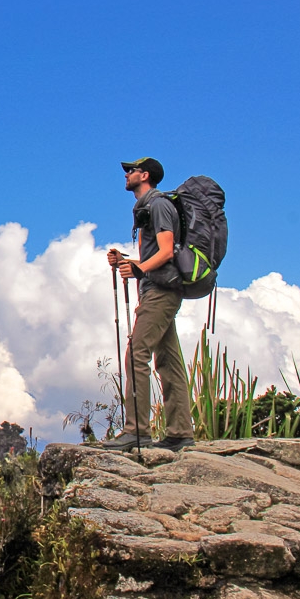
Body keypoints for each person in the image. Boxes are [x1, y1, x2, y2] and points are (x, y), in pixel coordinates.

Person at [104, 157, 195, 452]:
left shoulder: (158, 205)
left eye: (131, 171)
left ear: (145, 175)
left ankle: (136, 431)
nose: (126, 175)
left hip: (161, 291)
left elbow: (166, 251)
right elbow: (154, 257)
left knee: (136, 354)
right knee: (168, 361)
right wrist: (127, 262)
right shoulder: (147, 207)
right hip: (158, 287)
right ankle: (180, 433)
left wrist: (140, 270)